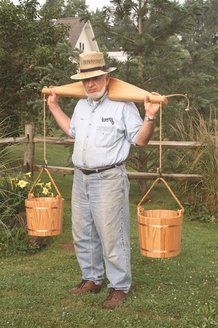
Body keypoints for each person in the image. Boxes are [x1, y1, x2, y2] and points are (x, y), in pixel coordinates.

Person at [47, 51, 160, 310]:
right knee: (82, 233)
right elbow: (72, 131)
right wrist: (53, 106)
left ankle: (119, 286)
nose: (90, 84)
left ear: (107, 77)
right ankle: (91, 278)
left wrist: (150, 116)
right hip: (80, 177)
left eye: (95, 78)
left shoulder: (123, 105)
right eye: (85, 79)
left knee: (112, 235)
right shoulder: (81, 104)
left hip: (109, 178)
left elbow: (140, 141)